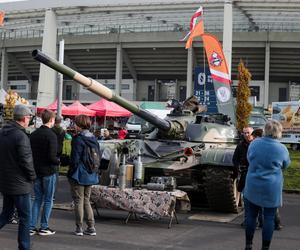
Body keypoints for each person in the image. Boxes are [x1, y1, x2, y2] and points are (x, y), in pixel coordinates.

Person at [244, 120, 290, 250]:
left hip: (253, 184)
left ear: (265, 130)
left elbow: (249, 159)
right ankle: (265, 248)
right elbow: (286, 165)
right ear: (279, 132)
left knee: (251, 216)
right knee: (269, 218)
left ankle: (248, 245)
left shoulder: (254, 143)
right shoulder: (282, 149)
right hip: (271, 187)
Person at [0, 104, 36, 250]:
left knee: (7, 214)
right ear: (24, 118)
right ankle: (24, 247)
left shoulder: (3, 133)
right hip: (20, 184)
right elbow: (26, 161)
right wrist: (32, 177)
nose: (29, 120)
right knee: (25, 218)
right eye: (29, 117)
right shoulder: (21, 136)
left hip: (6, 181)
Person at [67, 115, 99, 236]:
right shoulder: (94, 138)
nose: (74, 125)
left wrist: (70, 172)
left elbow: (74, 159)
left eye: (75, 123)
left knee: (78, 200)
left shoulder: (78, 139)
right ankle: (91, 227)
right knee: (86, 200)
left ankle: (79, 227)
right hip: (91, 173)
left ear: (80, 125)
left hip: (79, 174)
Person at [30, 109, 59, 236]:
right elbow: (52, 157)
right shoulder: (51, 135)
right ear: (51, 120)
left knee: (37, 199)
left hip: (36, 170)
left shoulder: (34, 134)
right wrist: (59, 161)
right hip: (48, 171)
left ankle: (31, 227)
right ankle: (44, 227)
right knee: (48, 199)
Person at [51, 116, 66, 199]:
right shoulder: (63, 132)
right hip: (58, 153)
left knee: (49, 174)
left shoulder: (51, 130)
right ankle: (53, 194)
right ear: (60, 122)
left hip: (50, 152)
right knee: (55, 175)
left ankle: (49, 194)